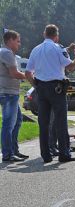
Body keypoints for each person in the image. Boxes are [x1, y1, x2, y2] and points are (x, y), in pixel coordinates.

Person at [25, 24, 75, 163]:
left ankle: (46, 155)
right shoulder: (58, 48)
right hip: (56, 88)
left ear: (44, 34)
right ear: (56, 36)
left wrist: (36, 86)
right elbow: (70, 67)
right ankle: (64, 154)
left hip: (41, 88)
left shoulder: (35, 50)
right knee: (61, 122)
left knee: (43, 123)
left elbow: (27, 73)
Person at [0, 30, 28, 162]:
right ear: (10, 40)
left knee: (17, 121)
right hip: (8, 93)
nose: (19, 44)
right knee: (8, 124)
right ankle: (7, 154)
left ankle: (14, 150)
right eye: (17, 41)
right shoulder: (6, 53)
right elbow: (14, 73)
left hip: (10, 93)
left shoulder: (5, 53)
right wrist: (29, 76)